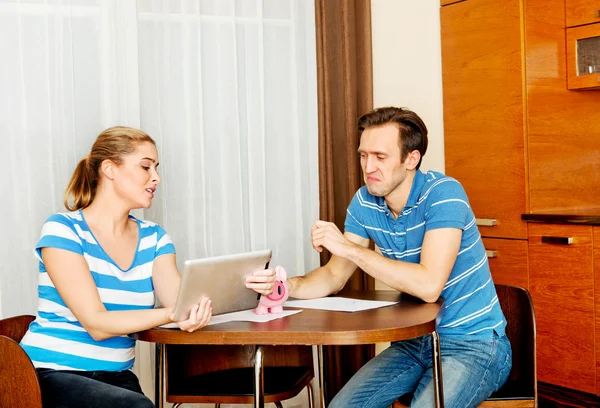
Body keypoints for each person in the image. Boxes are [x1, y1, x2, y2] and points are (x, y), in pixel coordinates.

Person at [19, 126, 276, 408]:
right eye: (145, 167)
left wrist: (247, 285)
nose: (156, 178)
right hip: (49, 374)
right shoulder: (64, 230)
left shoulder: (154, 238)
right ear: (109, 169)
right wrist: (172, 314)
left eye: (156, 168)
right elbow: (97, 324)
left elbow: (183, 305)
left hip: (116, 377)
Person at [286, 107, 512, 408]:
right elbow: (333, 276)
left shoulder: (444, 194)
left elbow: (429, 285)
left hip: (474, 344)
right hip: (414, 343)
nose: (368, 167)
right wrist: (285, 286)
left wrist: (350, 249)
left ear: (411, 159)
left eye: (380, 157)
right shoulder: (365, 201)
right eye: (363, 155)